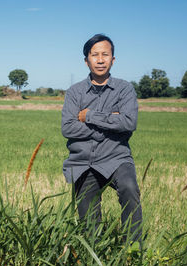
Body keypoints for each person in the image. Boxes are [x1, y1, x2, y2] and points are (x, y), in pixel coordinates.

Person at [61, 34, 142, 242]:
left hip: (117, 157)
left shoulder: (124, 89)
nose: (100, 59)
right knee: (89, 223)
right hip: (84, 161)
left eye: (105, 54)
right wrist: (110, 123)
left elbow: (128, 123)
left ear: (113, 59)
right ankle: (95, 255)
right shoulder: (74, 92)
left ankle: (132, 250)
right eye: (94, 54)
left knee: (129, 189)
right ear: (86, 60)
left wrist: (89, 116)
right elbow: (68, 128)